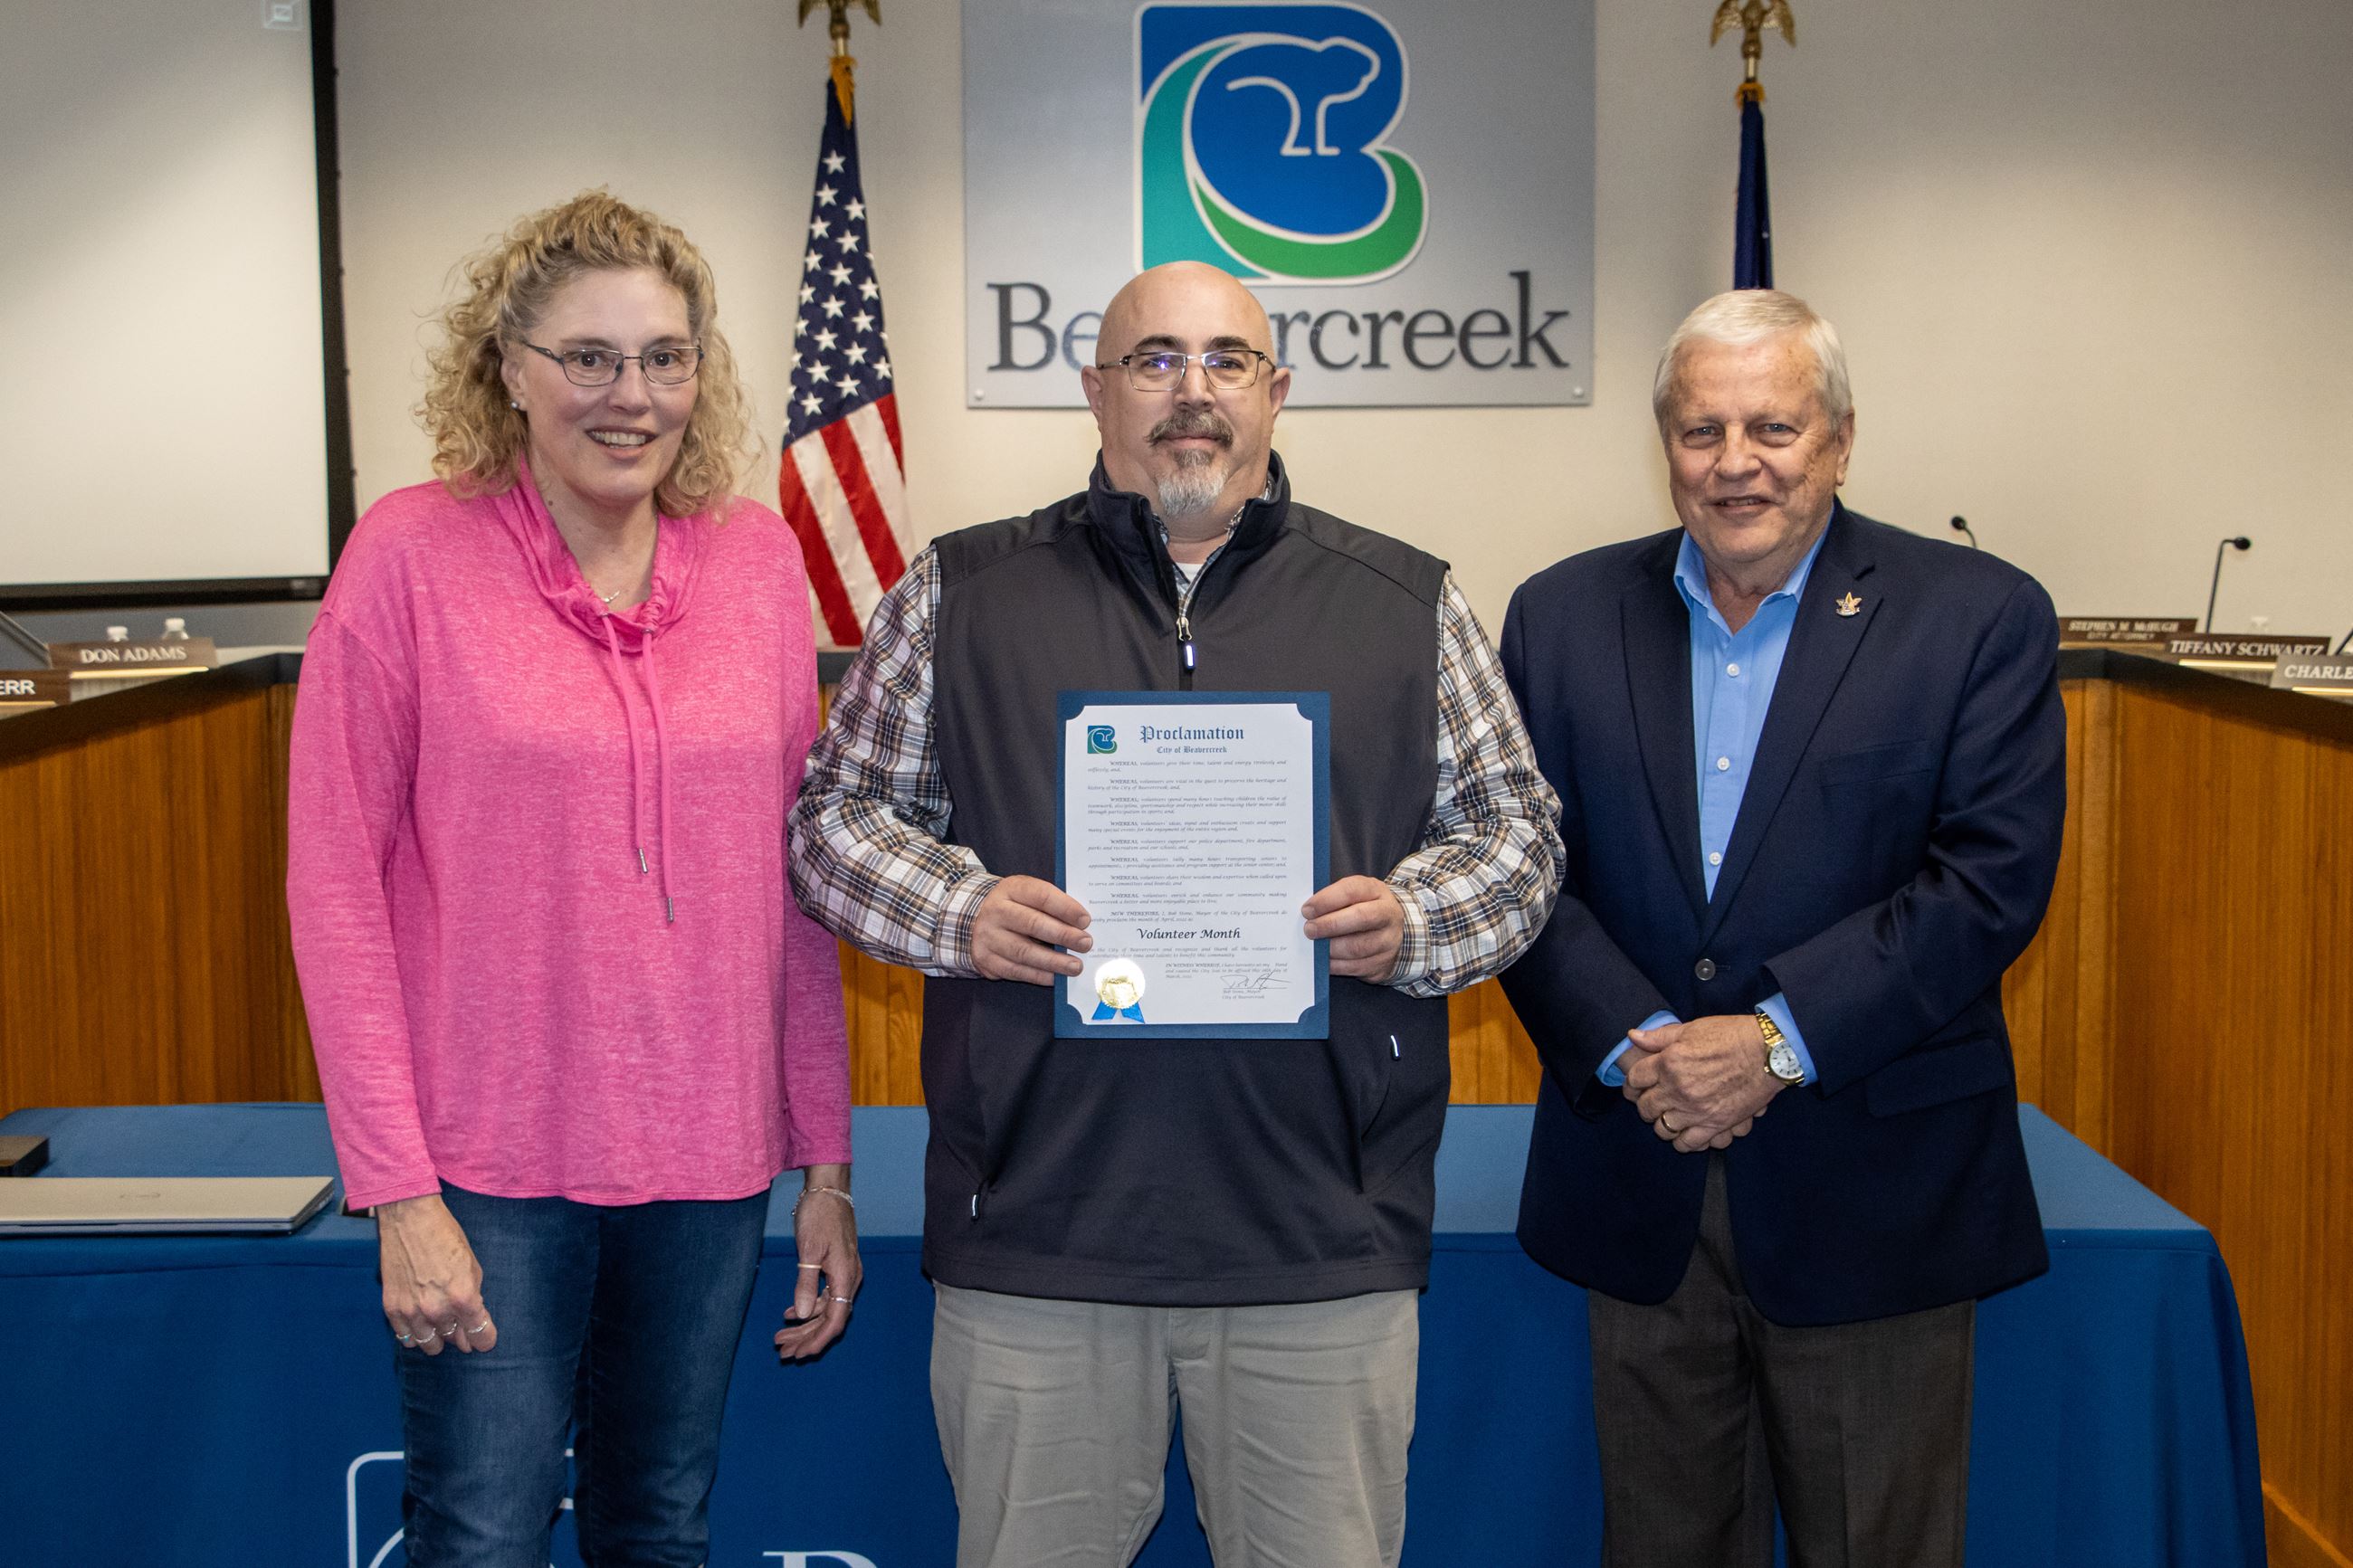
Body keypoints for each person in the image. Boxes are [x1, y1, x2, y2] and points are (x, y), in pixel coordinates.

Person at [788, 260, 1563, 1568]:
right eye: (1153, 360)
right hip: (1037, 1238)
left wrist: (1415, 918)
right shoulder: (961, 593)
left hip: (1320, 1241)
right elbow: (832, 818)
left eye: (1225, 360)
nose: (1191, 391)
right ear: (1097, 392)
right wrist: (962, 912)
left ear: (1277, 391)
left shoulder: (1407, 602)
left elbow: (1520, 835)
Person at [286, 191, 856, 1567]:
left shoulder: (761, 560)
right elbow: (335, 885)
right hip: (486, 1167)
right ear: (509, 366)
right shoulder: (408, 553)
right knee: (481, 1533)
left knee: (659, 1526)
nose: (631, 395)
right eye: (587, 357)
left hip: (708, 1160)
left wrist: (825, 1161)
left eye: (665, 357)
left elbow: (794, 885)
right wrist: (395, 1187)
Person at [1499, 288, 2066, 1567]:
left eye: (1774, 427)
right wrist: (1641, 1044)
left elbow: (1988, 879)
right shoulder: (1560, 614)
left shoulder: (1976, 614)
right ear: (1666, 443)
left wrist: (1771, 1041)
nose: (1735, 462)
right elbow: (1520, 867)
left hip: (1875, 1189)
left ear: (1841, 440)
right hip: (1639, 1159)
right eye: (1702, 430)